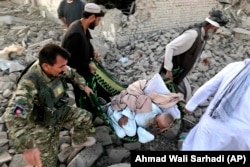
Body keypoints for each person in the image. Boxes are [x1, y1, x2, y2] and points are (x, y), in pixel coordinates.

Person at [4, 43, 96, 167]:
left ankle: (77, 141)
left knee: (85, 117)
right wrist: (27, 147)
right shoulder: (29, 83)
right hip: (42, 124)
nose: (65, 69)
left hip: (58, 110)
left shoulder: (58, 67)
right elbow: (13, 116)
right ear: (46, 67)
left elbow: (72, 73)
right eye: (61, 66)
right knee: (48, 163)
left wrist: (83, 85)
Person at [182, 59, 250, 150]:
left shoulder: (235, 66)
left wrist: (190, 105)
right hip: (241, 137)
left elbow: (208, 87)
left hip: (212, 123)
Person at [160, 9, 229, 85]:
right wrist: (168, 70)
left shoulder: (203, 35)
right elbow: (170, 47)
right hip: (169, 74)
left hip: (178, 74)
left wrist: (203, 57)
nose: (215, 32)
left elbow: (194, 48)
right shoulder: (193, 34)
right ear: (211, 26)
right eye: (216, 29)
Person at [61, 3, 105, 110]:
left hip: (83, 69)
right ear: (92, 17)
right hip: (76, 73)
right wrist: (87, 66)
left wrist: (92, 52)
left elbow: (86, 43)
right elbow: (69, 61)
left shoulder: (82, 27)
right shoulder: (75, 33)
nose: (98, 24)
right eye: (98, 20)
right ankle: (85, 115)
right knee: (82, 97)